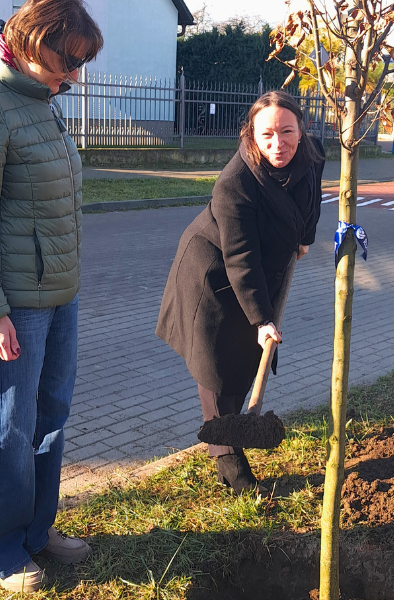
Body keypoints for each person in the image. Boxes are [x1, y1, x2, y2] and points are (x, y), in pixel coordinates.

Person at [0, 0, 103, 592]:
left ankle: (37, 531)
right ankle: (4, 550)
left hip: (61, 295)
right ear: (34, 44)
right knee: (8, 426)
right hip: (15, 305)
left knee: (50, 417)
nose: (74, 76)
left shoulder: (41, 100)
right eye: (69, 62)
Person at [156, 91, 325, 495]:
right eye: (267, 134)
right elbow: (240, 257)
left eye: (287, 132)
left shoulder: (312, 154)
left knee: (244, 361)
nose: (278, 143)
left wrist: (305, 238)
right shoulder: (235, 183)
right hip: (213, 274)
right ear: (251, 133)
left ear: (301, 130)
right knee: (217, 370)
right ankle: (231, 467)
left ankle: (230, 437)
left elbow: (312, 198)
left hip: (258, 271)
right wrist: (263, 319)